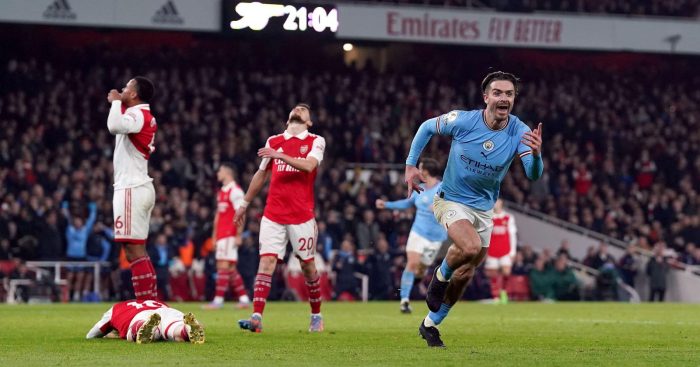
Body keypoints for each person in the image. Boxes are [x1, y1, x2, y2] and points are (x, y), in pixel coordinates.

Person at [403, 71, 544, 347]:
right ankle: (440, 276)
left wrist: (537, 156)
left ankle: (430, 325)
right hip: (451, 199)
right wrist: (410, 164)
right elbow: (426, 127)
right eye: (498, 93)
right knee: (468, 248)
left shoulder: (520, 131)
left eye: (509, 94)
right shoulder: (464, 120)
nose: (503, 98)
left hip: (483, 209)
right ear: (486, 97)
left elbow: (533, 175)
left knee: (466, 273)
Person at [234, 103, 326, 333]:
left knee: (307, 266)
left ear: (309, 121)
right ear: (288, 119)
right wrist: (244, 204)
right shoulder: (274, 140)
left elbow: (309, 165)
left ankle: (316, 315)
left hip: (301, 216)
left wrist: (280, 155)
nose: (299, 109)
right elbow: (261, 174)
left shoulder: (316, 140)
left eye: (305, 109)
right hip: (273, 214)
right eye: (296, 108)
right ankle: (256, 317)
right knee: (266, 262)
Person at [106, 77, 158, 301]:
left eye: (127, 87)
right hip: (137, 187)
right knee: (135, 251)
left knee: (134, 252)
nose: (123, 89)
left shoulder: (137, 115)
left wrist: (116, 102)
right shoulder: (142, 115)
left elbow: (114, 126)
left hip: (131, 189)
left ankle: (147, 304)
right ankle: (149, 303)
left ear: (135, 94)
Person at [375, 158, 447, 313]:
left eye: (420, 168)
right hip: (418, 232)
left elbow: (454, 204)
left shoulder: (443, 188)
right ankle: (404, 301)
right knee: (412, 263)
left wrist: (440, 207)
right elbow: (406, 203)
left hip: (435, 237)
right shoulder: (419, 188)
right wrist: (386, 205)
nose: (417, 171)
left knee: (421, 269)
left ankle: (415, 281)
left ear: (426, 171)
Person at [203, 163, 251, 309]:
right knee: (230, 269)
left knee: (222, 266)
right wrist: (214, 235)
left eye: (220, 171)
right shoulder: (222, 191)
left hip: (229, 234)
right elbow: (218, 215)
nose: (218, 173)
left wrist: (238, 234)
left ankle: (218, 301)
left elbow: (241, 213)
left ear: (227, 173)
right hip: (221, 234)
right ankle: (243, 299)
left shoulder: (235, 191)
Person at [86, 299, 205, 344]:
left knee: (142, 328)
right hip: (167, 310)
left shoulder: (115, 308)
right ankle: (186, 329)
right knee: (172, 329)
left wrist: (110, 333)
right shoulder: (156, 301)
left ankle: (143, 328)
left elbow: (91, 335)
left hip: (140, 315)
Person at [484, 198, 517, 304]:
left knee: (506, 272)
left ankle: (504, 292)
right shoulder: (488, 217)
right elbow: (484, 235)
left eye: (497, 202)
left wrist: (513, 252)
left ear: (501, 203)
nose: (495, 204)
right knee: (492, 273)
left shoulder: (508, 217)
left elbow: (512, 235)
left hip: (505, 250)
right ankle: (495, 296)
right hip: (492, 250)